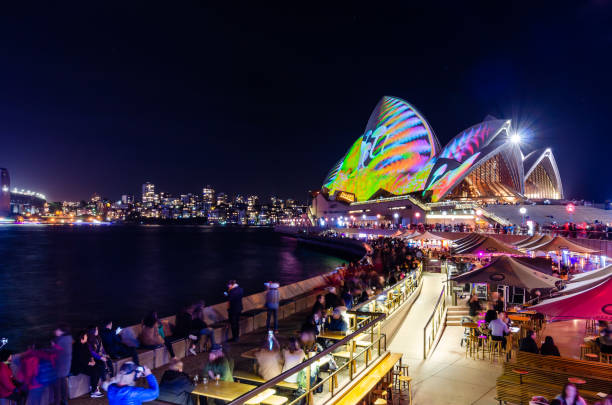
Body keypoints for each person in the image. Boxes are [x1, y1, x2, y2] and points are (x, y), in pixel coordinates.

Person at [71, 330, 104, 397]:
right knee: (94, 370)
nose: (87, 337)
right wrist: (89, 363)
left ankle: (94, 387)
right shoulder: (76, 346)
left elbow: (89, 354)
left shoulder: (85, 344)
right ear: (81, 337)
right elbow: (79, 359)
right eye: (85, 336)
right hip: (78, 366)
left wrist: (92, 360)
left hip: (86, 363)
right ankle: (93, 391)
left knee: (98, 366)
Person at [53, 324, 73, 405]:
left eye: (57, 330)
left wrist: (53, 345)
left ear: (62, 331)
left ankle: (57, 402)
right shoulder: (68, 339)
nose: (55, 331)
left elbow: (55, 352)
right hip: (65, 366)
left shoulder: (60, 340)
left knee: (57, 387)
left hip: (59, 366)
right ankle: (64, 401)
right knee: (63, 385)